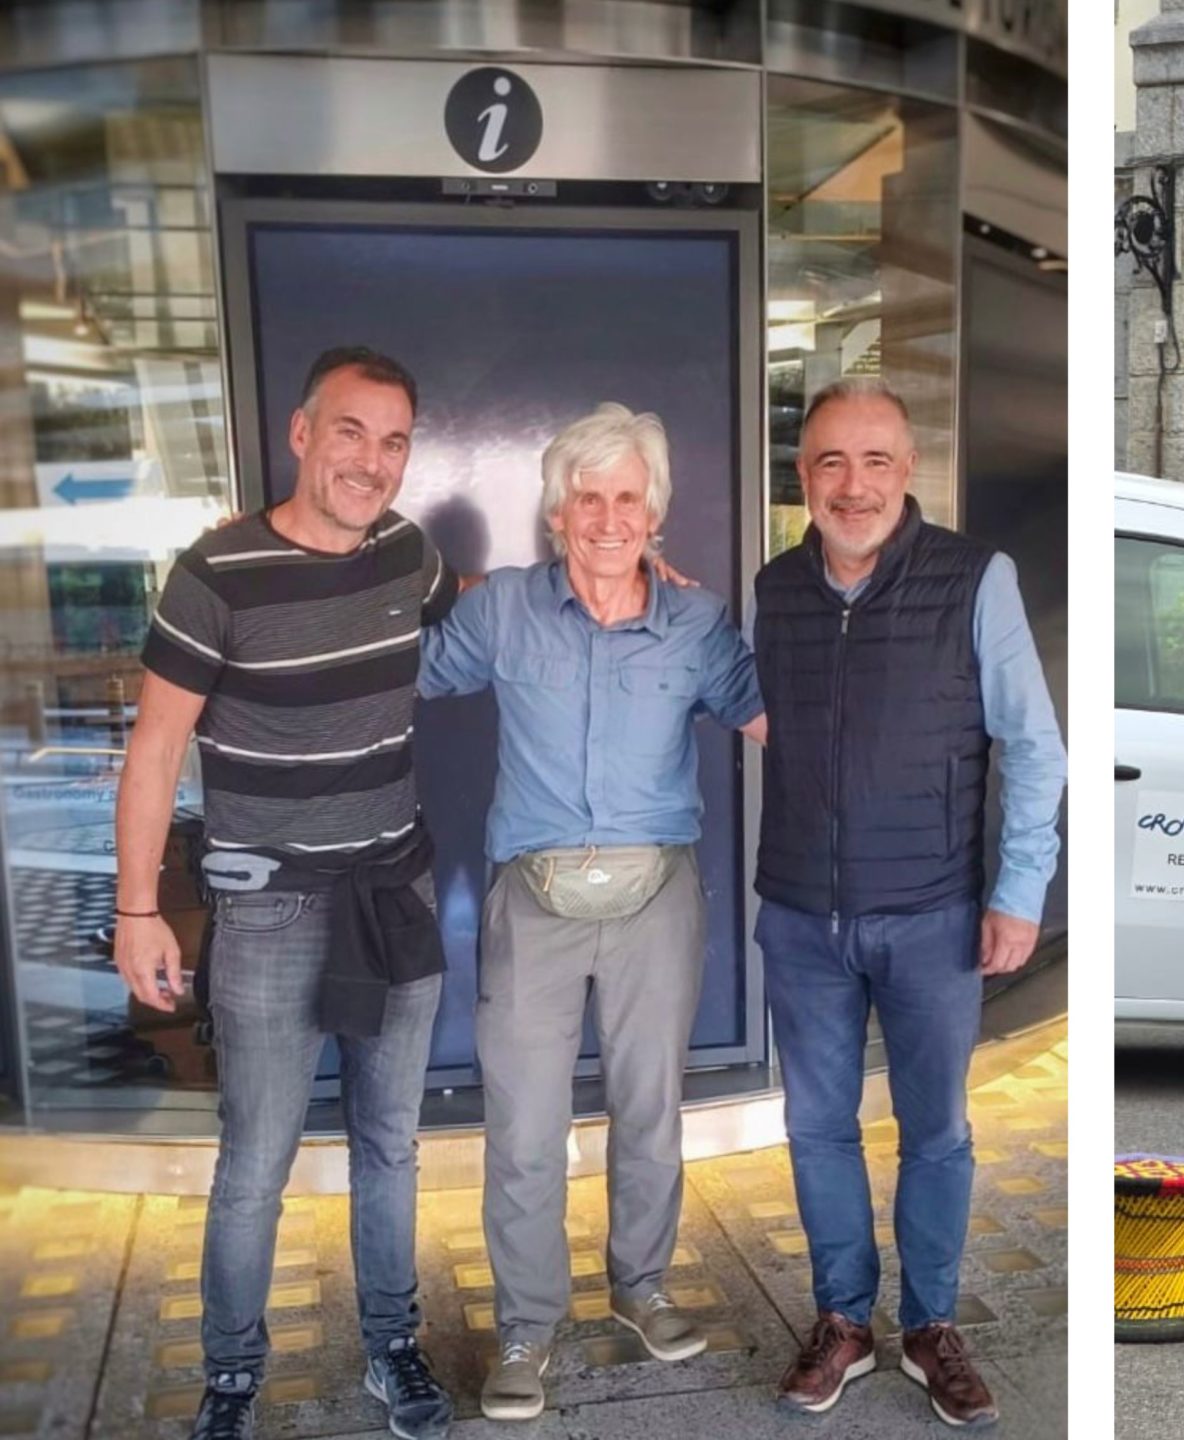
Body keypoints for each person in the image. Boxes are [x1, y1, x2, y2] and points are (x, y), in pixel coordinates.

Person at [113, 347, 457, 1440]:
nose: (372, 461)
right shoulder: (214, 576)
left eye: (393, 440)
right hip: (267, 914)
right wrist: (135, 911)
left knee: (390, 1143)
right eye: (350, 431)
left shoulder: (408, 551)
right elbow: (156, 750)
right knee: (254, 1160)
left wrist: (624, 574)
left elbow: (478, 605)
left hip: (392, 894)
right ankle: (231, 1376)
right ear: (302, 433)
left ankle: (393, 1348)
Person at [413, 404, 766, 1421]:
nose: (609, 517)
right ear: (557, 511)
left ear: (654, 511)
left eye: (628, 497)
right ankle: (528, 1328)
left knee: (650, 1110)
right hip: (536, 897)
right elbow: (410, 671)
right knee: (524, 1125)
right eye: (588, 497)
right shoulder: (505, 611)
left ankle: (640, 1285)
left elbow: (770, 714)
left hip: (658, 895)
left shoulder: (697, 624)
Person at [756, 379, 1064, 1429]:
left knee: (935, 1131)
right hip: (800, 915)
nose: (854, 484)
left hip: (933, 912)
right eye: (830, 463)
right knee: (817, 1128)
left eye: (875, 460)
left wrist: (1018, 892)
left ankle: (930, 1326)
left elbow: (1032, 746)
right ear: (803, 479)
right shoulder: (774, 588)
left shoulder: (975, 577)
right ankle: (842, 1320)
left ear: (907, 470)